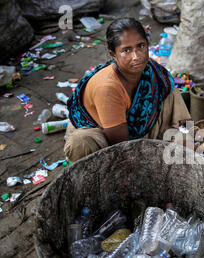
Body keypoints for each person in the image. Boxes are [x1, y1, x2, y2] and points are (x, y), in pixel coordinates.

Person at [64, 18, 191, 162]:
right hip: (103, 135)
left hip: (135, 129)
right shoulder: (107, 88)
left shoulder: (151, 71)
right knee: (82, 143)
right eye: (126, 50)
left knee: (170, 90)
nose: (137, 56)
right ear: (113, 55)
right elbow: (122, 146)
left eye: (141, 46)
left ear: (148, 45)